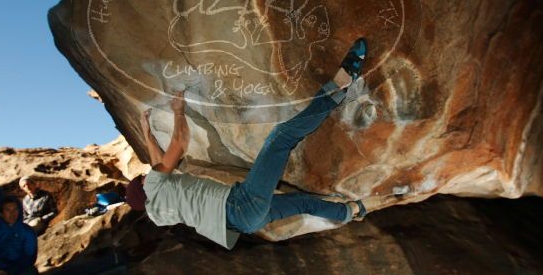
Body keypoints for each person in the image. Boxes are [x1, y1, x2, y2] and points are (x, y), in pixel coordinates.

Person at [133, 38, 369, 250]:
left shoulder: (158, 209)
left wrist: (147, 134)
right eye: (141, 179)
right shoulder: (154, 185)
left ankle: (350, 212)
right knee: (281, 137)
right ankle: (339, 86)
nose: (146, 174)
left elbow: (158, 165)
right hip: (241, 205)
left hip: (247, 222)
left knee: (302, 203)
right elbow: (179, 142)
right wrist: (179, 111)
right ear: (143, 187)